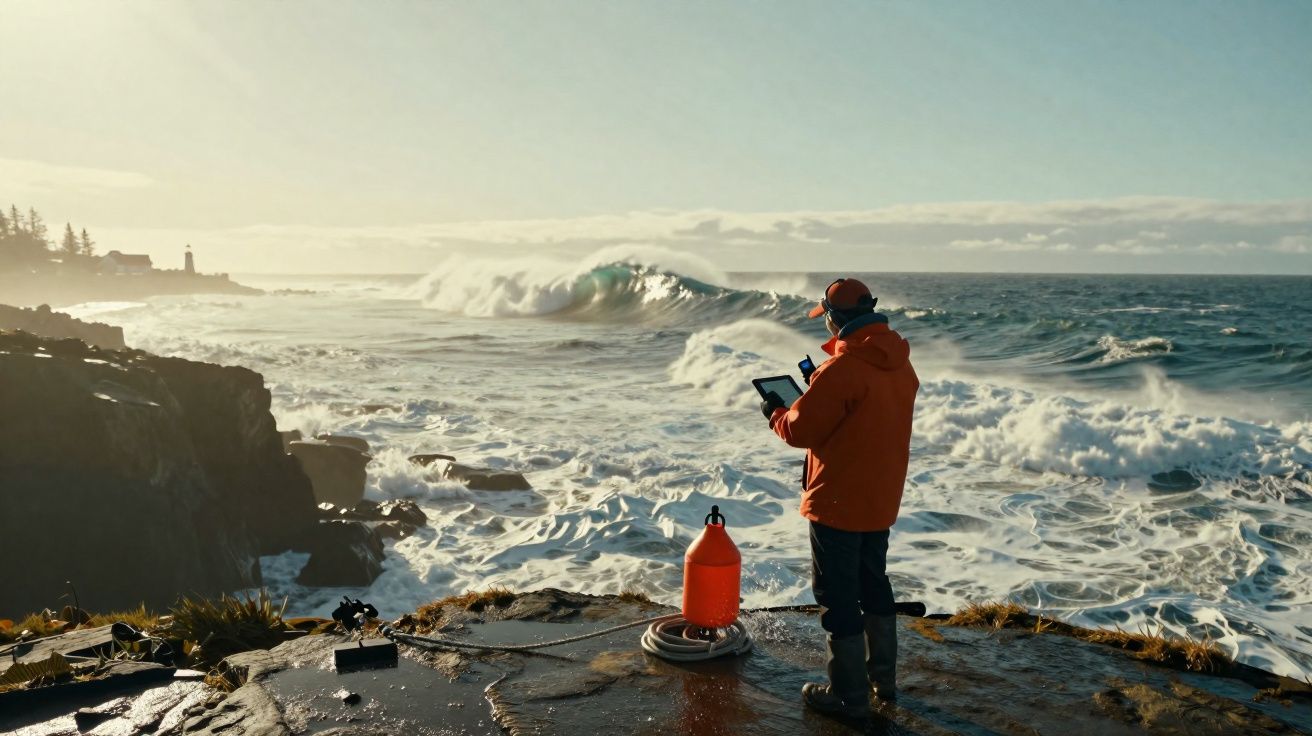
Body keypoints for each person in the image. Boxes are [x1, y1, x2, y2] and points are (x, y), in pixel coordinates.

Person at [760, 277, 919, 718]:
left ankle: (847, 696)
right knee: (874, 584)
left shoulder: (843, 370)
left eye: (826, 318)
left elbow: (799, 430)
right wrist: (820, 386)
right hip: (880, 497)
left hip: (837, 500)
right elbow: (863, 413)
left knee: (836, 595)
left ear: (835, 318)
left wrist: (776, 411)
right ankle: (882, 682)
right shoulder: (901, 365)